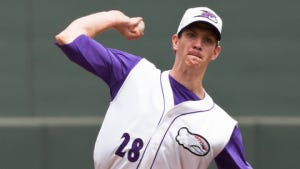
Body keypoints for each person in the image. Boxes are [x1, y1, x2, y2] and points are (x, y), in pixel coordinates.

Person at [55, 6, 253, 169]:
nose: (198, 44)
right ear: (176, 41)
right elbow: (68, 37)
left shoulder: (220, 126)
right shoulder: (134, 74)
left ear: (215, 52)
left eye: (208, 40)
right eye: (191, 35)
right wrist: (114, 18)